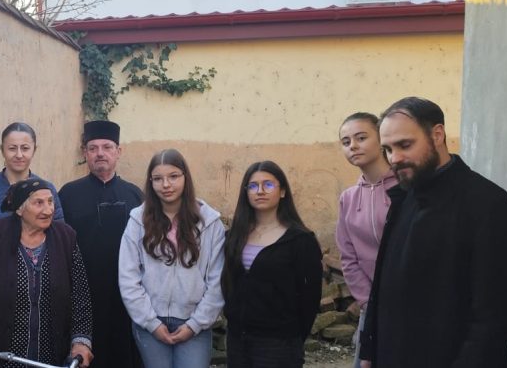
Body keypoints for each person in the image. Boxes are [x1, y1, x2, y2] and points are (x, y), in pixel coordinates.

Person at [358, 97, 507, 368]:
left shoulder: (489, 205)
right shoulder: (404, 198)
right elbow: (383, 286)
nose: (394, 158)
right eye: (387, 149)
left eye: (405, 145)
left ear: (437, 135)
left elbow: (496, 316)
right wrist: (369, 350)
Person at [0, 178, 93, 367]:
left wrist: (81, 340)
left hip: (49, 355)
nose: (48, 210)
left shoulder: (66, 237)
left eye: (50, 202)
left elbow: (80, 294)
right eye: (39, 203)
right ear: (19, 209)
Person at [119, 149, 226, 368]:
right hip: (151, 323)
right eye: (158, 179)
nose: (166, 185)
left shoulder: (209, 222)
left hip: (194, 323)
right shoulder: (138, 220)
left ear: (186, 177)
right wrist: (151, 323)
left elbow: (218, 280)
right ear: (150, 182)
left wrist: (195, 324)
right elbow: (128, 277)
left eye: (173, 176)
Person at [59, 120, 144, 368]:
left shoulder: (135, 195)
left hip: (125, 293)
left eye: (107, 147)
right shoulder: (67, 194)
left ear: (118, 151)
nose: (100, 153)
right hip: (83, 294)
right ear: (85, 153)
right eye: (93, 148)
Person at [222, 161, 322, 368]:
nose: (260, 191)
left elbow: (310, 297)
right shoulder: (234, 236)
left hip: (279, 344)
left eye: (268, 185)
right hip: (238, 340)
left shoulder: (300, 240)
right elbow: (228, 283)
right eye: (253, 186)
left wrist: (293, 337)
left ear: (282, 191)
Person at [335, 112, 397, 368]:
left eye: (361, 138)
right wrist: (367, 300)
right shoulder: (348, 198)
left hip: (409, 305)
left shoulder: (405, 189)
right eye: (346, 142)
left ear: (381, 139)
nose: (353, 146)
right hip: (370, 308)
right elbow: (348, 256)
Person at [0, 122, 65, 250]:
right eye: (12, 148)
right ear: (2, 150)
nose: (19, 155)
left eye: (25, 148)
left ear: (34, 150)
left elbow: (60, 237)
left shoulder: (47, 190)